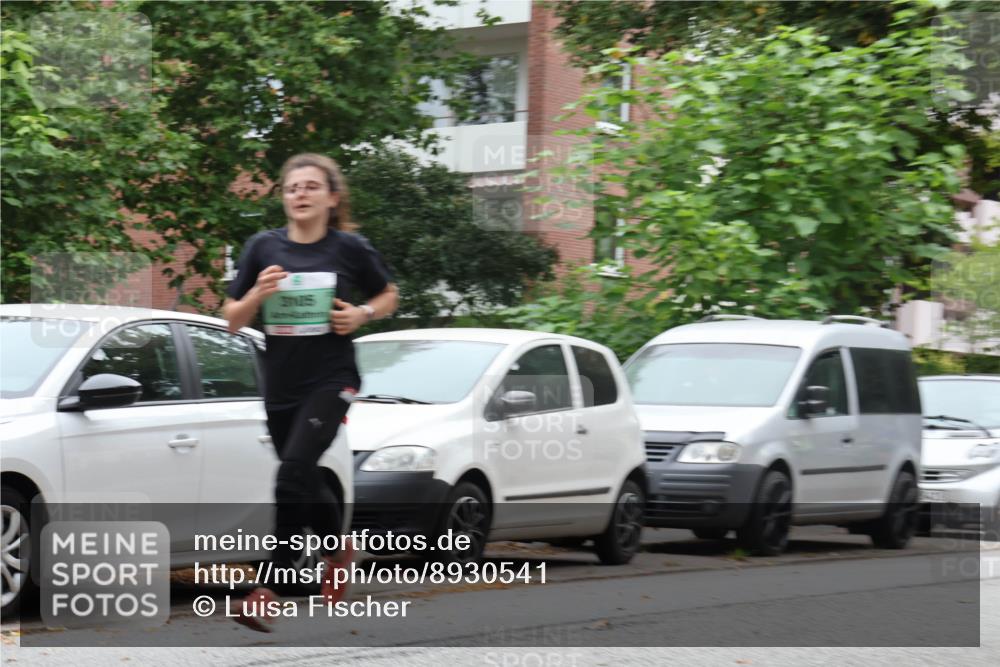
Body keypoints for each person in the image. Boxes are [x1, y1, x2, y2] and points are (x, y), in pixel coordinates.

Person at [223, 153, 398, 631]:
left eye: (310, 186)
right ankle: (339, 549)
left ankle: (268, 589)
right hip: (280, 384)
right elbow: (232, 318)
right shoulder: (262, 248)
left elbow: (388, 294)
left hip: (332, 379)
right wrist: (258, 294)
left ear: (331, 197)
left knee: (292, 472)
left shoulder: (350, 249)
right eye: (291, 187)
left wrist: (362, 314)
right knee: (305, 475)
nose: (299, 194)